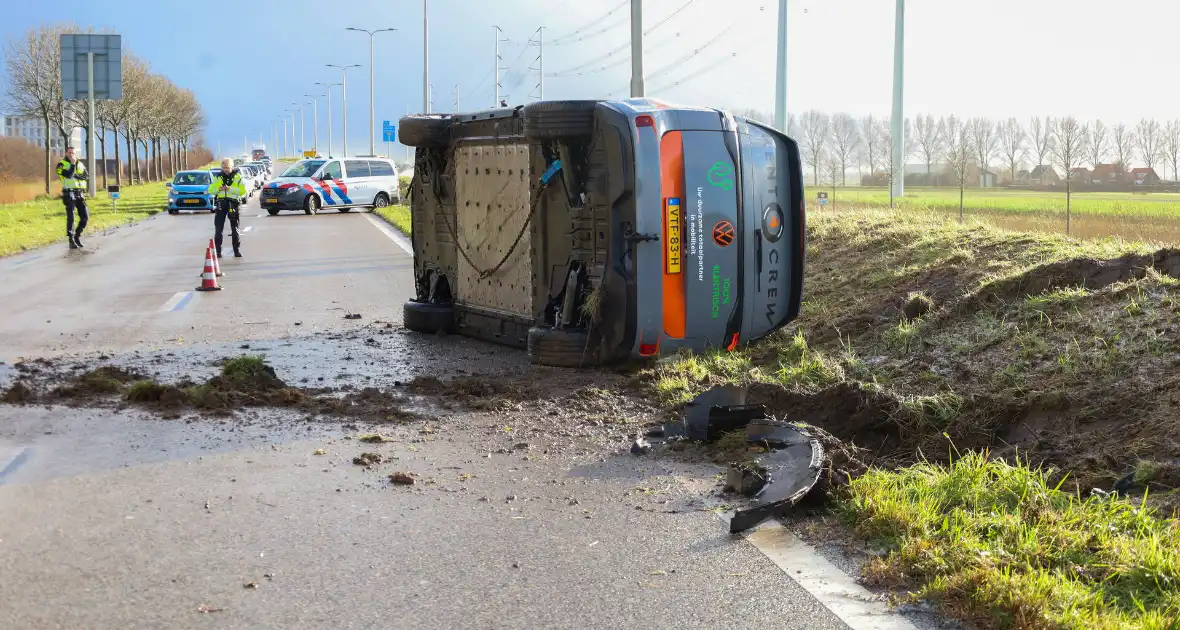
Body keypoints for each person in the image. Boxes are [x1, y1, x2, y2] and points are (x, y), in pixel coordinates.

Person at [207, 158, 247, 258]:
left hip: (233, 204)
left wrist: (230, 189)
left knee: (235, 228)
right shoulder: (218, 177)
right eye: (224, 167)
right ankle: (218, 252)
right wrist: (218, 189)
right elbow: (211, 190)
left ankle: (236, 250)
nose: (226, 169)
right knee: (218, 228)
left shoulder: (238, 177)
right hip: (221, 203)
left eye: (228, 167)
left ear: (232, 167)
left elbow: (242, 191)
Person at [56, 146, 89, 249]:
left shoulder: (80, 164)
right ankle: (71, 240)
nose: (71, 155)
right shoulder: (61, 164)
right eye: (69, 153)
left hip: (80, 194)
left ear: (75, 154)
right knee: (71, 217)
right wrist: (73, 164)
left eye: (73, 153)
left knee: (85, 216)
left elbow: (86, 176)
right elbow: (69, 175)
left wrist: (78, 175)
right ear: (66, 153)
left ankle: (77, 236)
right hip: (69, 194)